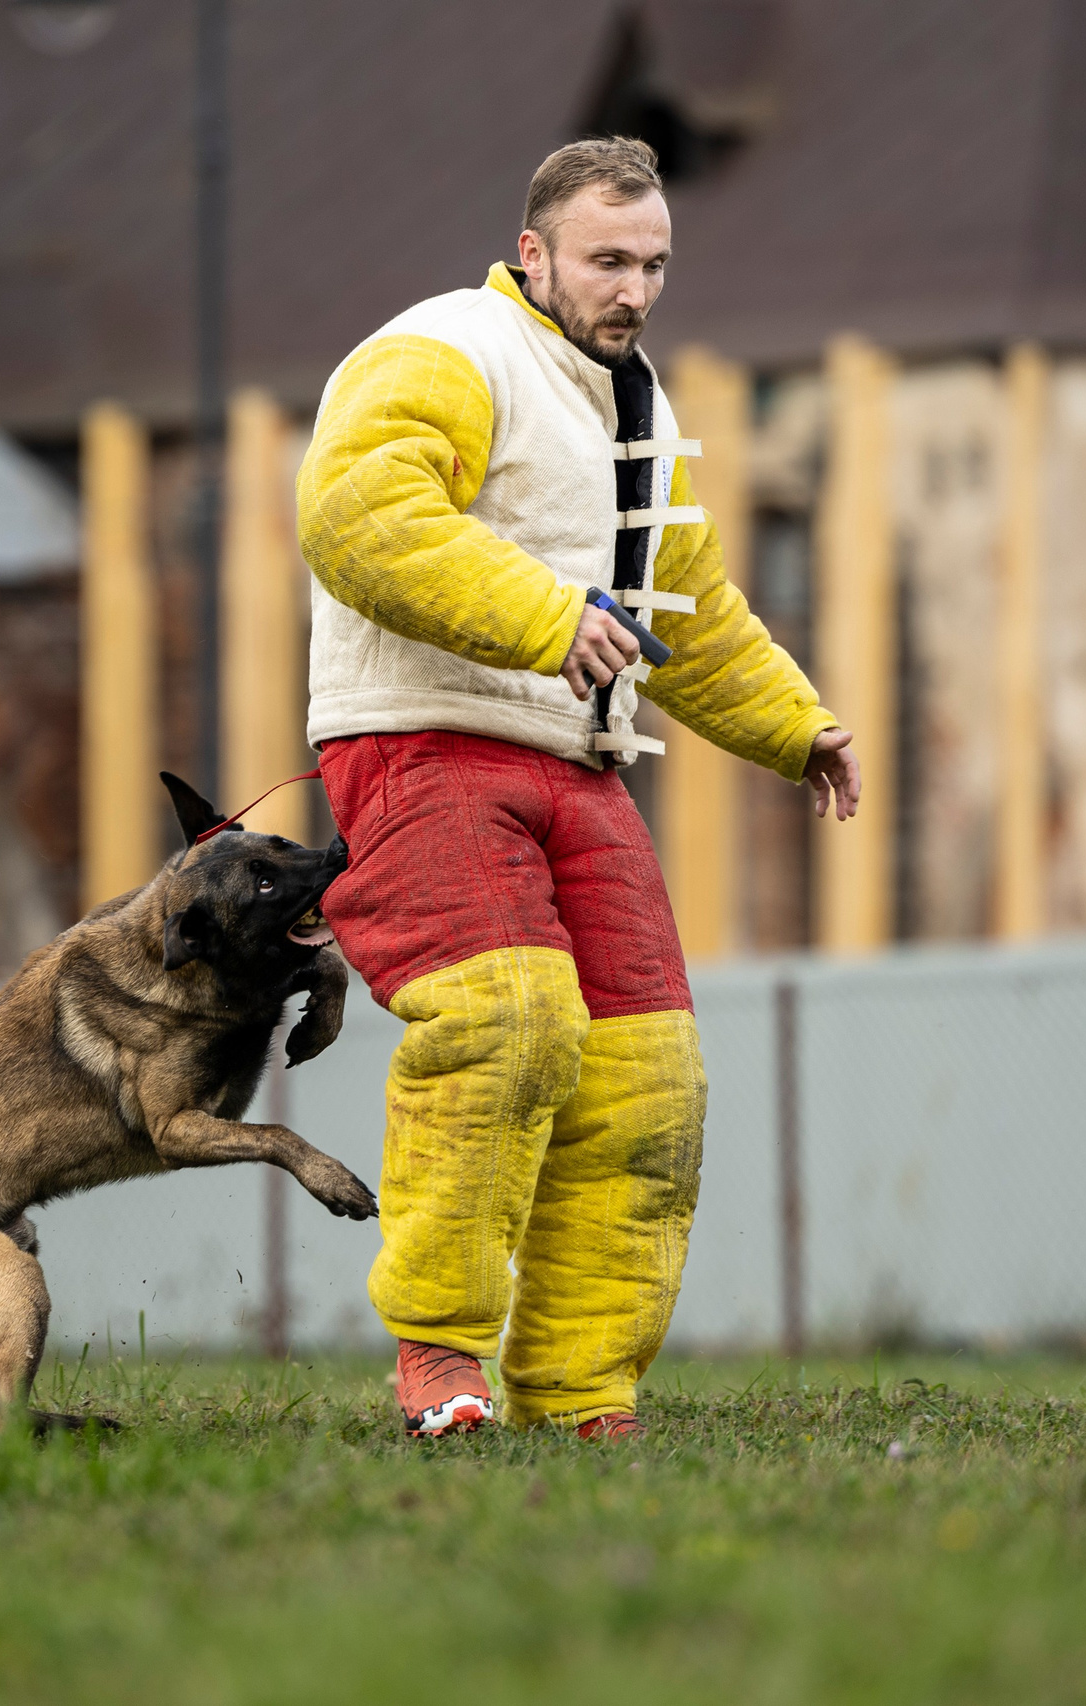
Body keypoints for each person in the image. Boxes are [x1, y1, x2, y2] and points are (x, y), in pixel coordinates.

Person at [297, 137, 860, 1440]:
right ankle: (441, 1361)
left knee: (646, 1075)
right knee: (506, 1019)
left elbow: (687, 606)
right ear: (533, 252)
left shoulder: (639, 406)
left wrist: (796, 725)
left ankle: (581, 1392)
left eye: (655, 263)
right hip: (424, 740)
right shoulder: (442, 349)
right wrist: (547, 617)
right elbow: (358, 514)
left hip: (577, 755)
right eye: (608, 260)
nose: (635, 289)